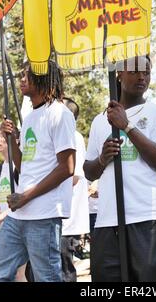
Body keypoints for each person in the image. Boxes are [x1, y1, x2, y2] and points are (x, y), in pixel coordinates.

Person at [84, 55, 156, 282]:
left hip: (148, 218)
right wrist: (103, 159)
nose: (141, 77)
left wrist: (126, 126)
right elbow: (88, 171)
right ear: (119, 74)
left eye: (146, 72)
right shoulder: (99, 120)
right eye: (135, 71)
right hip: (108, 220)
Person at [0, 60, 76, 282]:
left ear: (44, 77)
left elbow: (67, 167)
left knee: (46, 277)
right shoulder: (29, 118)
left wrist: (26, 196)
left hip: (44, 215)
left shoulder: (60, 113)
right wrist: (12, 141)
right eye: (22, 75)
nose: (22, 80)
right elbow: (24, 165)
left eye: (28, 75)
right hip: (20, 213)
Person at [61, 97, 89, 282]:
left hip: (66, 220)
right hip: (55, 218)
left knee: (63, 271)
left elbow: (74, 177)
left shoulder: (74, 136)